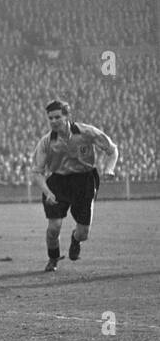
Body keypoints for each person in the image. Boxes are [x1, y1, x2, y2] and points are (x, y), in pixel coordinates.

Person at [30, 98, 118, 272]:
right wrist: (47, 192)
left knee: (84, 233)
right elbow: (37, 172)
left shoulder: (87, 132)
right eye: (50, 118)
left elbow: (113, 150)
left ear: (67, 116)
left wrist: (110, 168)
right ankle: (53, 258)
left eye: (57, 117)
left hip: (84, 181)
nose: (53, 121)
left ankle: (75, 240)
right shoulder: (46, 142)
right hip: (58, 183)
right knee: (54, 227)